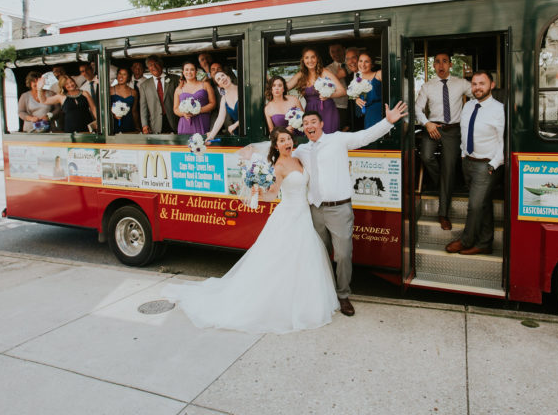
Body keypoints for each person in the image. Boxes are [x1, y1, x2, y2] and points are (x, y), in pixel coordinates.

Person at [162, 127, 339, 333]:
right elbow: (272, 196)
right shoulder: (279, 166)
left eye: (288, 138)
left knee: (304, 259)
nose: (287, 143)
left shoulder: (298, 159)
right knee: (280, 261)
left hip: (303, 215)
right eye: (282, 140)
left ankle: (305, 300)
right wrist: (259, 191)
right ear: (276, 146)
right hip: (288, 215)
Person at [294, 101, 408, 316]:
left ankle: (343, 295)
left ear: (321, 124)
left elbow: (365, 136)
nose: (309, 125)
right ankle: (321, 292)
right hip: (314, 210)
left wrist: (388, 121)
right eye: (305, 123)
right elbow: (281, 154)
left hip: (339, 209)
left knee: (343, 255)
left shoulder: (337, 139)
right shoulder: (301, 150)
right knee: (318, 254)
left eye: (313, 121)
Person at [446, 71, 504, 255]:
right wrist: (464, 154)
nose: (477, 87)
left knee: (475, 205)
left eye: (482, 83)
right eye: (474, 84)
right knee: (484, 204)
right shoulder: (468, 106)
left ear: (491, 85)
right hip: (468, 163)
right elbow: (465, 132)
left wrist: (494, 164)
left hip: (486, 166)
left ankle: (466, 240)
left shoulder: (499, 109)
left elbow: (504, 141)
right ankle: (485, 243)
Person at [415, 51, 473, 231]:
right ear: (433, 66)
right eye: (437, 62)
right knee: (426, 156)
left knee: (449, 169)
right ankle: (442, 182)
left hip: (453, 129)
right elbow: (417, 108)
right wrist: (427, 124)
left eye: (444, 62)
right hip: (433, 127)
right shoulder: (427, 86)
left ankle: (443, 214)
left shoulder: (461, 83)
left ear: (450, 64)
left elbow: (479, 92)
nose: (441, 65)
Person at [287, 47, 346, 134]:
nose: (310, 60)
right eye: (307, 58)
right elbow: (285, 87)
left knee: (327, 139)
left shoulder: (324, 72)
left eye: (313, 57)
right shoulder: (301, 75)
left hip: (327, 110)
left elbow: (342, 91)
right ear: (303, 60)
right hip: (310, 111)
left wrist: (329, 95)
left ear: (317, 58)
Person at [140, 55, 179, 134]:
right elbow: (143, 107)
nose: (154, 66)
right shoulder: (144, 85)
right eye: (150, 65)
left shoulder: (175, 79)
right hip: (155, 124)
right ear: (148, 68)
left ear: (161, 64)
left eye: (156, 64)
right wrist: (144, 125)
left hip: (174, 121)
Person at [174, 61, 216, 134]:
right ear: (183, 72)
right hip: (186, 123)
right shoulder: (179, 89)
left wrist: (198, 110)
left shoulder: (205, 85)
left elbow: (213, 103)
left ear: (196, 72)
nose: (189, 72)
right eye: (186, 70)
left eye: (192, 69)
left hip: (202, 121)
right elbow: (175, 109)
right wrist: (183, 114)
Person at [206, 70, 240, 139]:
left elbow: (251, 112)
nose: (222, 78)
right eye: (218, 79)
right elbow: (220, 119)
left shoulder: (242, 90)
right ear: (219, 85)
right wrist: (211, 136)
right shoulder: (224, 99)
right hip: (237, 133)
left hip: (251, 129)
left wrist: (236, 124)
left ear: (228, 77)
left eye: (222, 75)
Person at [354, 51, 383, 128]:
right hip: (368, 114)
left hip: (379, 111)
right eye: (360, 61)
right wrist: (356, 98)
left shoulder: (379, 74)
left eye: (366, 61)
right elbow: (351, 94)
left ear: (372, 64)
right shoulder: (357, 79)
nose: (363, 64)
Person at [110, 67, 140, 133]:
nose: (121, 76)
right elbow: (106, 109)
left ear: (128, 77)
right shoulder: (110, 90)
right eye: (119, 74)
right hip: (114, 123)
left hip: (129, 123)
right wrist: (113, 115)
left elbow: (134, 111)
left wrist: (137, 127)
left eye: (124, 74)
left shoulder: (134, 92)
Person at [326, 43, 350, 131]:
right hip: (339, 106)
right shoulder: (328, 69)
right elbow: (326, 88)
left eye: (338, 50)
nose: (336, 54)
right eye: (333, 52)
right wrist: (337, 76)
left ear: (344, 50)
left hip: (357, 104)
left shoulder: (352, 64)